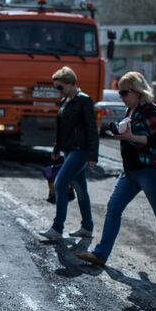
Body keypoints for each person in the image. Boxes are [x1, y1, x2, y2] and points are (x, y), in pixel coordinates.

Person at [76, 72, 156, 271]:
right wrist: (120, 132)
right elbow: (130, 134)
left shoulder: (150, 110)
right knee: (113, 208)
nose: (121, 96)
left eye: (124, 92)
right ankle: (101, 254)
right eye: (120, 92)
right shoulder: (131, 109)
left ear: (137, 91)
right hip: (131, 171)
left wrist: (132, 137)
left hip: (150, 170)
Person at [40, 66, 99, 241]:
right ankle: (87, 227)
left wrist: (93, 156)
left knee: (60, 184)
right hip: (67, 150)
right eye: (55, 87)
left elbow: (92, 129)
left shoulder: (84, 101)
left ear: (72, 83)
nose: (57, 91)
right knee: (81, 190)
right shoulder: (64, 101)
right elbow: (61, 129)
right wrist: (56, 149)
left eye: (60, 87)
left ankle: (57, 228)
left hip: (81, 150)